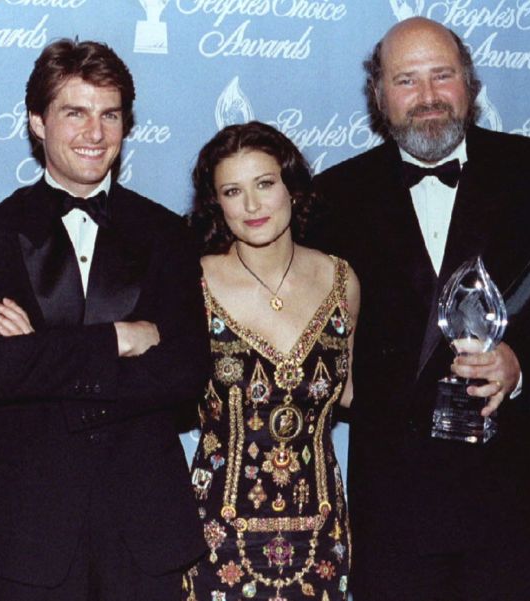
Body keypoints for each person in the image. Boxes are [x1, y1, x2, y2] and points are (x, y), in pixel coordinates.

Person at [309, 17, 530, 601]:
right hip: (392, 511)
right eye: (407, 80)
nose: (429, 97)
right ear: (379, 97)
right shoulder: (334, 197)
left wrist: (521, 364)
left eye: (443, 76)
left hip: (509, 506)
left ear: (471, 83)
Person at [0, 39, 210, 600]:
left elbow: (185, 372)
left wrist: (42, 351)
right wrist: (121, 337)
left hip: (145, 531)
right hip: (24, 534)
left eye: (109, 114)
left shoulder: (167, 233)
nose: (95, 133)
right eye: (75, 112)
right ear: (37, 123)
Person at [183, 122, 359, 601]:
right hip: (215, 535)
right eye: (233, 191)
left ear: (292, 188)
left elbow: (350, 393)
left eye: (265, 184)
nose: (253, 206)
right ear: (216, 204)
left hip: (322, 536)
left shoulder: (342, 280)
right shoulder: (192, 282)